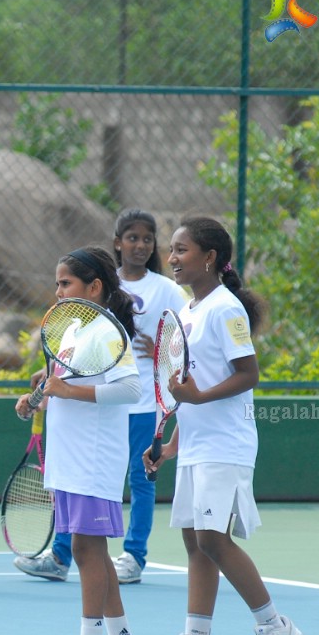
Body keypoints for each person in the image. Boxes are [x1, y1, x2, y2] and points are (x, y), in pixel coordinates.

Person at [143, 215, 303, 635]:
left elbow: (247, 374)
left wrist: (198, 398)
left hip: (225, 444)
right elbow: (192, 384)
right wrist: (172, 443)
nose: (172, 259)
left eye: (181, 250)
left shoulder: (226, 308)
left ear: (210, 257)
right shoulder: (189, 312)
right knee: (196, 541)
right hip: (195, 443)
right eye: (171, 250)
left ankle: (275, 628)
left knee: (214, 538)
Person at [14, 247, 148, 635]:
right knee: (92, 550)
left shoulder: (108, 333)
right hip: (69, 457)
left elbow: (130, 389)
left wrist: (66, 392)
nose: (58, 291)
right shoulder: (72, 330)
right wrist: (35, 396)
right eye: (56, 283)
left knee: (86, 549)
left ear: (94, 288)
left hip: (93, 458)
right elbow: (62, 382)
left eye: (66, 283)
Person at [111, 208, 188, 585]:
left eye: (146, 239)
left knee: (141, 479)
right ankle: (64, 552)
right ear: (117, 243)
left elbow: (186, 335)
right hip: (105, 400)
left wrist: (160, 349)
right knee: (95, 477)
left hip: (145, 403)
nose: (140, 245)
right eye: (132, 238)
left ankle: (133, 555)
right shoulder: (102, 284)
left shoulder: (166, 289)